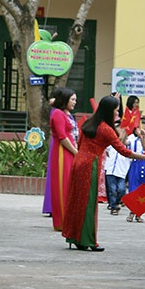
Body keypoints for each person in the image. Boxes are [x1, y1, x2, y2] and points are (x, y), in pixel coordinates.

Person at [62, 95, 145, 251]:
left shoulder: (88, 124)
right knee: (89, 203)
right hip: (90, 165)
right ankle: (88, 240)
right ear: (109, 111)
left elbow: (80, 144)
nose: (118, 114)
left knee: (77, 200)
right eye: (116, 110)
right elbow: (124, 151)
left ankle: (74, 236)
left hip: (78, 162)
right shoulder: (106, 129)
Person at [47, 87, 79, 231]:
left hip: (71, 150)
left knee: (70, 183)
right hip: (62, 152)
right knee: (62, 183)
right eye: (72, 99)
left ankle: (70, 218)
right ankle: (61, 221)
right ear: (64, 99)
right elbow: (62, 137)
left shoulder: (67, 114)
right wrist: (75, 152)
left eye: (75, 100)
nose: (74, 102)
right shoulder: (58, 114)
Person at [124, 113, 145, 223]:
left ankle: (139, 213)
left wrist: (143, 138)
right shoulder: (131, 140)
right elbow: (124, 143)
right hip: (135, 165)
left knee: (142, 190)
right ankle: (132, 211)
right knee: (133, 189)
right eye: (140, 129)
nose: (142, 131)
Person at [103, 124, 131, 216]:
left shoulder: (128, 145)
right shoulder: (111, 144)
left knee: (122, 189)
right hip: (111, 170)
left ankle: (118, 201)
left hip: (121, 171)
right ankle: (114, 206)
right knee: (112, 189)